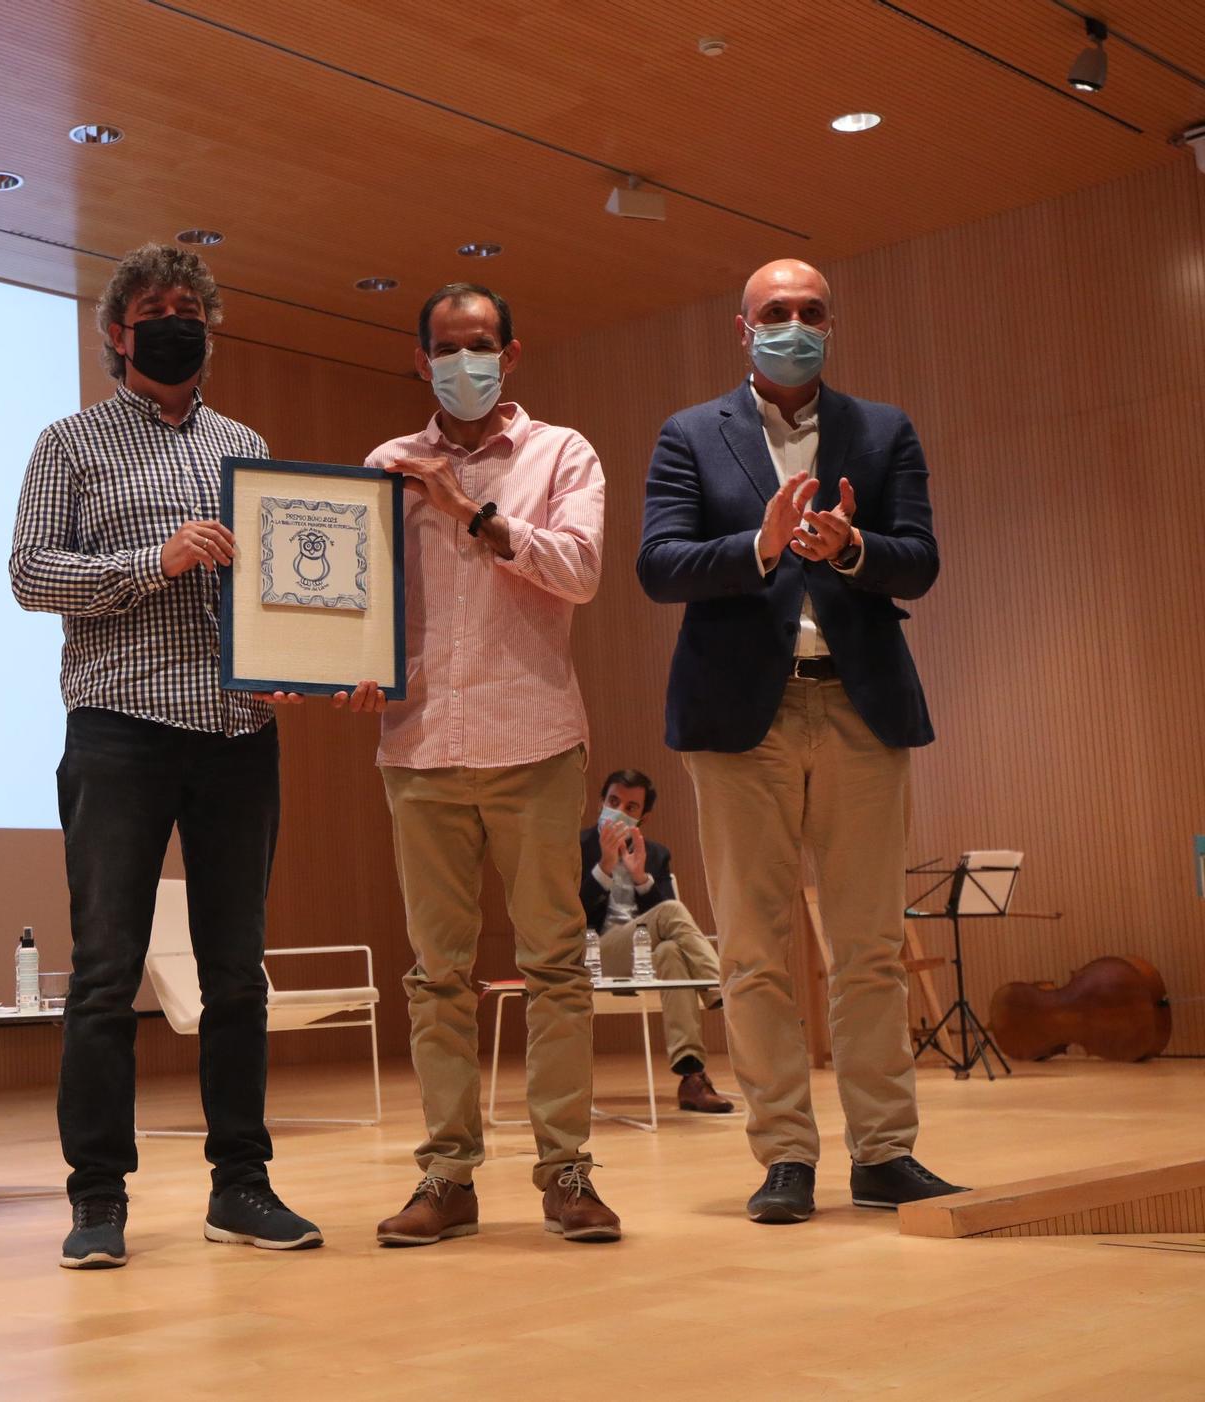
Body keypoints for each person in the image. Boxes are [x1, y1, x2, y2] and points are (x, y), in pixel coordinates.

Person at [10, 243, 322, 1268]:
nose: (174, 321)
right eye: (153, 309)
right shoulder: (69, 443)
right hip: (121, 727)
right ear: (115, 332)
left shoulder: (247, 441)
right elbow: (27, 573)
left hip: (239, 732)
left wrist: (291, 662)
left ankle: (241, 1184)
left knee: (237, 975)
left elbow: (281, 583)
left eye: (189, 308)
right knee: (105, 975)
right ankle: (96, 1199)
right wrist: (156, 559)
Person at [638, 257, 965, 1225]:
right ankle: (782, 1153)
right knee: (750, 951)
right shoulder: (690, 433)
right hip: (742, 715)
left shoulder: (881, 427)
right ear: (740, 329)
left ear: (832, 324)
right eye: (773, 313)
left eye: (809, 312)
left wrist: (851, 549)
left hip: (857, 706)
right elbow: (658, 567)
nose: (793, 325)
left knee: (866, 945)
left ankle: (883, 1152)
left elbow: (920, 559)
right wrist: (764, 546)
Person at [360, 283, 617, 1249]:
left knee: (555, 963)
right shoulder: (386, 466)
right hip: (419, 743)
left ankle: (567, 1172)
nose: (462, 361)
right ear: (418, 358)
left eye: (480, 346)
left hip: (536, 739)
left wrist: (475, 515)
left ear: (510, 356)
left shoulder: (564, 452)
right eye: (444, 347)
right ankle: (446, 1176)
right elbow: (353, 599)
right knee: (437, 973)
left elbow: (582, 570)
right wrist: (344, 660)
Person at [579, 768, 734, 1114]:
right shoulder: (577, 846)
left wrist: (640, 877)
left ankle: (691, 1076)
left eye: (631, 807)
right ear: (601, 802)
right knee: (670, 913)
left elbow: (662, 916)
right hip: (592, 954)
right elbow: (570, 915)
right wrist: (604, 868)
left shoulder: (656, 854)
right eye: (613, 801)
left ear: (643, 817)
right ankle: (725, 989)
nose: (619, 810)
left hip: (643, 953)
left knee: (669, 952)